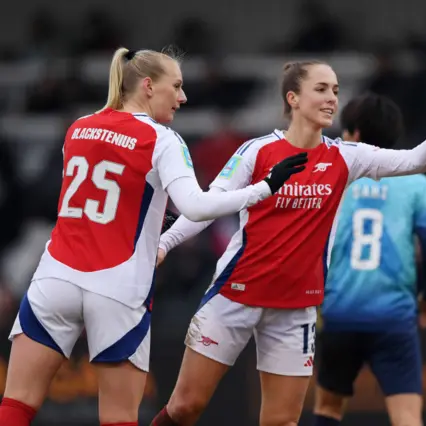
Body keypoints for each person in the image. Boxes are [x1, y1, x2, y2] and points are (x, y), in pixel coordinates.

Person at [0, 47, 306, 426]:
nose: (183, 97)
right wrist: (265, 188)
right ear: (147, 86)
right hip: (116, 288)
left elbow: (107, 196)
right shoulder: (162, 139)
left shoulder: (78, 126)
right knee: (119, 418)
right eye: (176, 86)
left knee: (16, 405)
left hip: (54, 278)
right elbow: (194, 206)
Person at [150, 66, 426, 426]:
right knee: (184, 407)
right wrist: (164, 243)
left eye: (335, 89)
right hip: (235, 297)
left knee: (282, 421)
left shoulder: (346, 156)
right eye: (321, 89)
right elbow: (207, 207)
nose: (333, 97)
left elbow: (416, 160)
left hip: (296, 310)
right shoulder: (257, 151)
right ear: (293, 98)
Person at [312, 92, 426, 426]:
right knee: (406, 417)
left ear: (355, 134)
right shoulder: (414, 182)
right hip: (394, 316)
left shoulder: (336, 176)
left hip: (339, 312)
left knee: (328, 409)